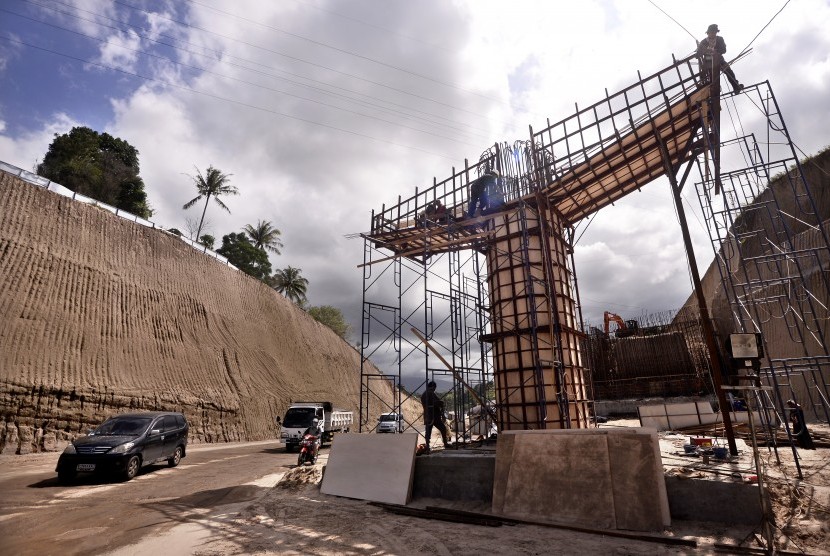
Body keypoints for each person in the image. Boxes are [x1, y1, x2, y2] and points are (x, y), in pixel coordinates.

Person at [697, 24, 744, 93]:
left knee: (729, 72)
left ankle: (736, 87)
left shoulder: (720, 39)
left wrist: (716, 51)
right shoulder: (703, 42)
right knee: (712, 79)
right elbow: (698, 53)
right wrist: (702, 51)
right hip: (708, 62)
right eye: (711, 32)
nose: (713, 34)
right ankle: (712, 91)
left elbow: (724, 50)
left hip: (719, 60)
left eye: (714, 32)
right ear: (708, 33)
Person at [420, 381, 449, 452]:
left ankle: (427, 446)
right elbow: (435, 403)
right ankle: (445, 443)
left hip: (427, 415)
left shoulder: (423, 394)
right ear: (433, 387)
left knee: (428, 432)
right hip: (434, 416)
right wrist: (441, 403)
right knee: (443, 428)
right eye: (434, 388)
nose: (434, 389)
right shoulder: (430, 393)